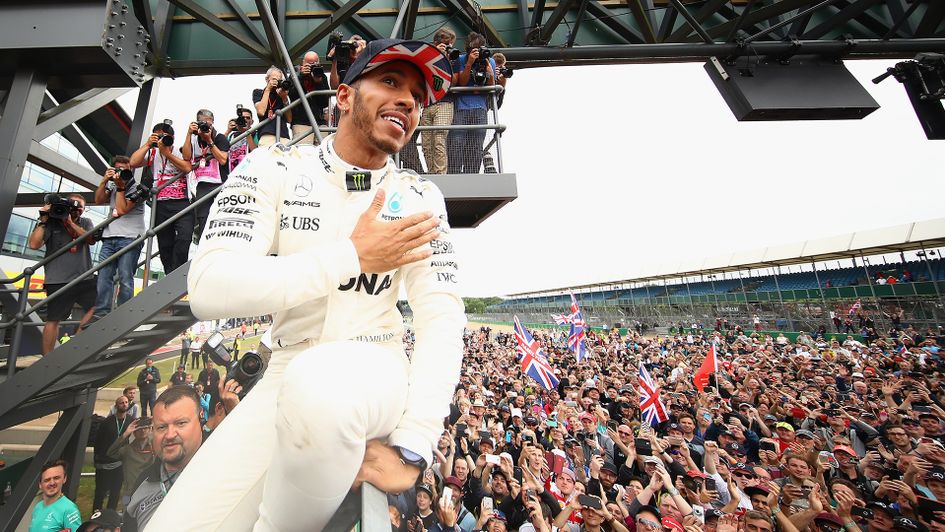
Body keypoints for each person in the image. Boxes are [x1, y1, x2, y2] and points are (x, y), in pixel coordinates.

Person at [150, 38, 463, 531]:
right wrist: (351, 257)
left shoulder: (420, 196)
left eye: (418, 97)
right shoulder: (273, 166)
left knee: (320, 384)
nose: (408, 100)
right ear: (343, 97)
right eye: (390, 81)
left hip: (374, 365)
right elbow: (209, 285)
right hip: (286, 367)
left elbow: (442, 320)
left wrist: (414, 446)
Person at [124, 386, 203, 531]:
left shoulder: (223, 470)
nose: (170, 434)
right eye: (161, 427)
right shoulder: (142, 483)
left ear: (200, 419)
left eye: (181, 423)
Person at [27, 193, 97, 355]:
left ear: (84, 210)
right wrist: (44, 219)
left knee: (98, 305)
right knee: (53, 320)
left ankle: (75, 344)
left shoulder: (85, 222)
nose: (76, 210)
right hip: (57, 279)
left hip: (83, 276)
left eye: (80, 207)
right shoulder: (52, 222)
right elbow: (33, 244)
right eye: (73, 206)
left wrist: (71, 223)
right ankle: (47, 359)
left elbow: (91, 240)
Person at [128, 121, 193, 274]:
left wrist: (167, 153)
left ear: (173, 137)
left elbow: (187, 168)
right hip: (161, 204)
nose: (162, 140)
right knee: (164, 243)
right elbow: (133, 162)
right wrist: (147, 144)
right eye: (159, 137)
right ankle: (170, 274)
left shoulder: (181, 150)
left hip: (182, 201)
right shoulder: (152, 154)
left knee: (184, 238)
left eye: (165, 137)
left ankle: (178, 273)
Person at [92, 155, 145, 321]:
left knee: (125, 278)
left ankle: (123, 316)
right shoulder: (113, 186)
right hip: (109, 237)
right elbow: (98, 200)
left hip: (130, 238)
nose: (121, 173)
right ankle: (101, 313)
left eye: (125, 169)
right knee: (103, 276)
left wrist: (121, 188)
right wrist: (104, 181)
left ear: (131, 169)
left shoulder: (140, 189)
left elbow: (122, 209)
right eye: (118, 169)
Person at [447, 32, 495, 174]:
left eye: (479, 48)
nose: (477, 52)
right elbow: (461, 82)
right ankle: (454, 173)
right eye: (473, 49)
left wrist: (490, 72)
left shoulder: (488, 60)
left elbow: (491, 87)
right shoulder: (461, 59)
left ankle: (472, 173)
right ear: (468, 49)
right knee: (456, 142)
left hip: (480, 108)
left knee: (476, 144)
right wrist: (469, 64)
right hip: (461, 107)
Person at [183, 109, 230, 242]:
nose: (205, 125)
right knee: (203, 217)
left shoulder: (220, 137)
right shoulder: (193, 138)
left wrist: (209, 140)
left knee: (222, 214)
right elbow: (186, 156)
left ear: (213, 122)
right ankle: (204, 244)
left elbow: (222, 159)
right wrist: (188, 133)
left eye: (207, 122)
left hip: (220, 183)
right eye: (201, 122)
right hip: (202, 184)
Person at [419, 27, 460, 175]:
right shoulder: (426, 58)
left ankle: (440, 174)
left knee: (439, 139)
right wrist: (435, 57)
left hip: (445, 103)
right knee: (426, 144)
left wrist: (446, 61)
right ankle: (431, 174)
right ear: (435, 43)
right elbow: (422, 79)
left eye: (450, 44)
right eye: (444, 44)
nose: (448, 47)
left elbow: (454, 82)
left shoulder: (454, 58)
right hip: (428, 104)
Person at [105, 416, 154, 509]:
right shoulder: (128, 450)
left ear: (150, 429)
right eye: (139, 429)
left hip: (149, 491)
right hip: (129, 492)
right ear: (134, 433)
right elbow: (111, 453)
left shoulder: (155, 447)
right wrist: (125, 434)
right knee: (126, 516)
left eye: (145, 428)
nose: (143, 431)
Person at [93, 395, 131, 511]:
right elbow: (98, 441)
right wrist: (97, 458)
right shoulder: (107, 422)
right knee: (100, 492)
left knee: (115, 491)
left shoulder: (130, 421)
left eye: (126, 402)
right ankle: (96, 513)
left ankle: (110, 514)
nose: (124, 404)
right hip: (104, 463)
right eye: (121, 403)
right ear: (116, 406)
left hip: (119, 463)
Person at [288, 51, 330, 145]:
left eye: (314, 63)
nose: (311, 66)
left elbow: (324, 103)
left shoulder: (321, 76)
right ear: (303, 63)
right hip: (301, 122)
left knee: (321, 153)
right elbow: (292, 96)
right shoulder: (295, 74)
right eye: (308, 63)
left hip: (319, 121)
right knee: (304, 152)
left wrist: (318, 83)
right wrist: (301, 76)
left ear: (319, 63)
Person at [28, 460, 82, 532]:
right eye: (47, 480)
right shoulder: (38, 507)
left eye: (56, 478)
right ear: (40, 484)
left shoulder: (69, 509)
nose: (52, 483)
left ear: (64, 479)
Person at [253, 66, 292, 146]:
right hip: (267, 134)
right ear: (267, 79)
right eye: (274, 79)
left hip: (283, 135)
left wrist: (284, 98)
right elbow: (261, 112)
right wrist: (268, 89)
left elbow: (289, 119)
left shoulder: (282, 95)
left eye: (279, 79)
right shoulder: (258, 92)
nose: (277, 81)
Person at [226, 105, 257, 172]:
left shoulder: (256, 133)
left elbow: (256, 153)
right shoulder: (232, 135)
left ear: (252, 122)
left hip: (249, 172)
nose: (245, 120)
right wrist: (228, 131)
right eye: (243, 118)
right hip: (233, 173)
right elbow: (221, 147)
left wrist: (247, 133)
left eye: (248, 118)